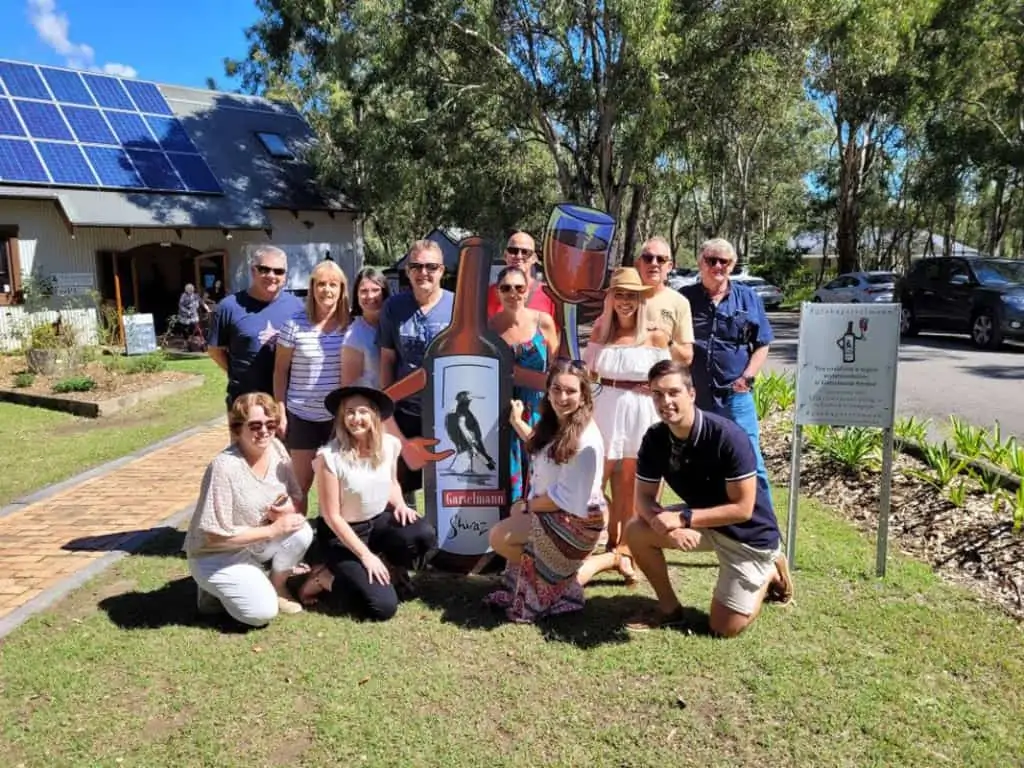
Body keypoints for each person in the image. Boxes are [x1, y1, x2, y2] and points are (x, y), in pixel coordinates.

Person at [623, 360, 793, 637]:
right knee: (637, 530)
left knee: (723, 628)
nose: (665, 401)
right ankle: (669, 609)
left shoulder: (728, 436)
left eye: (673, 392)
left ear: (691, 394)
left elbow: (743, 508)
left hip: (748, 536)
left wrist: (683, 518)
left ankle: (770, 571)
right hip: (702, 522)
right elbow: (643, 498)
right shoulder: (655, 438)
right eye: (657, 394)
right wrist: (665, 525)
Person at [298, 386, 435, 621]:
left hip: (377, 522)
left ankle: (391, 570)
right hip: (341, 534)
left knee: (422, 534)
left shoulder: (389, 445)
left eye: (362, 411)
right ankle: (322, 578)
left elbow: (391, 483)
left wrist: (401, 504)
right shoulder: (329, 457)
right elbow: (332, 517)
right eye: (349, 412)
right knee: (383, 607)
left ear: (374, 414)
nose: (355, 418)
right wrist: (365, 556)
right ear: (341, 417)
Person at [485, 359, 606, 623]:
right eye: (556, 389)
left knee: (499, 537)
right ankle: (565, 579)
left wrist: (526, 506)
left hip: (577, 520)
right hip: (555, 510)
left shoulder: (586, 441)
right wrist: (517, 422)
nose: (562, 397)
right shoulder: (555, 421)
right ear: (548, 390)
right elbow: (541, 448)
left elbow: (564, 499)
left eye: (571, 391)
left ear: (584, 394)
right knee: (550, 566)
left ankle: (557, 583)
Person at [183, 392, 313, 627]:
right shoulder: (224, 468)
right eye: (255, 426)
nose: (264, 431)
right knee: (261, 613)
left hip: (255, 543)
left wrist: (285, 509)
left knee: (302, 531)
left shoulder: (276, 448)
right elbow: (214, 536)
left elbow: (296, 496)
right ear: (237, 429)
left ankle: (277, 585)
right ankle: (211, 589)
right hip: (217, 553)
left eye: (270, 424)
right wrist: (275, 529)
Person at [577, 267, 670, 587]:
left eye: (632, 295)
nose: (626, 301)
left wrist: (655, 393)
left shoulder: (656, 334)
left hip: (641, 411)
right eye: (620, 294)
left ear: (641, 298)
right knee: (593, 477)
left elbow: (666, 376)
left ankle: (624, 547)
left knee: (631, 481)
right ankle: (590, 540)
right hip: (604, 408)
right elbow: (588, 375)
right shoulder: (601, 329)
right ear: (611, 297)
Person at [680, 238, 773, 493]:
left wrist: (748, 377)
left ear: (732, 265)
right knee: (701, 460)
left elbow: (762, 343)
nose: (718, 266)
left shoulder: (748, 298)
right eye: (712, 260)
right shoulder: (684, 299)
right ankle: (709, 521)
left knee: (750, 457)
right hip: (697, 395)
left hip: (735, 394)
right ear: (700, 262)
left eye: (725, 261)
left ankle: (764, 527)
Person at [378, 240, 455, 499]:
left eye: (431, 266)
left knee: (447, 482)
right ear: (408, 271)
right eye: (416, 266)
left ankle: (442, 538)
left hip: (448, 412)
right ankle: (409, 537)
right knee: (404, 486)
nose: (424, 272)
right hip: (406, 411)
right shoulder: (394, 307)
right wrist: (385, 405)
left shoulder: (458, 307)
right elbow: (387, 358)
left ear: (442, 271)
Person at [273, 260, 349, 506]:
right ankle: (296, 541)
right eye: (321, 284)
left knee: (339, 486)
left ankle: (334, 539)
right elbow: (280, 372)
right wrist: (281, 412)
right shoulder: (293, 324)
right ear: (312, 288)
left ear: (341, 289)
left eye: (333, 285)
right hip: (301, 415)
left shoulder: (351, 326)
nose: (327, 290)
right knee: (299, 487)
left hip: (338, 420)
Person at [487, 265, 558, 502]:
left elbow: (556, 368)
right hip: (503, 413)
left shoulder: (543, 322)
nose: (513, 293)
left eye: (519, 287)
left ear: (527, 291)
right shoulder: (489, 329)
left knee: (541, 469)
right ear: (498, 292)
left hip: (539, 410)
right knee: (506, 474)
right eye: (506, 288)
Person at [208, 246, 303, 409]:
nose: (271, 276)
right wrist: (237, 374)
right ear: (253, 271)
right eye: (264, 269)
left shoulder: (297, 307)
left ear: (285, 276)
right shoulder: (229, 307)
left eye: (278, 271)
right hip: (245, 402)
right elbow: (215, 350)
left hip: (287, 402)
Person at [635, 237, 695, 366]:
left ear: (669, 267)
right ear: (639, 263)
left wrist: (666, 341)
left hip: (660, 382)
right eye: (648, 258)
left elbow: (686, 358)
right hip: (623, 381)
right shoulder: (623, 298)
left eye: (661, 259)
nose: (654, 263)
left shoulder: (680, 303)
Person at [485, 231, 557, 320]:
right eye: (513, 251)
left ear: (534, 258)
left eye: (525, 252)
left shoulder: (548, 295)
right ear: (505, 255)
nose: (519, 256)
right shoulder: (488, 294)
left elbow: (555, 332)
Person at [341, 266, 390, 389]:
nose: (370, 296)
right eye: (363, 291)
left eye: (375, 290)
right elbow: (349, 386)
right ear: (356, 295)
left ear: (384, 292)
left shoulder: (395, 325)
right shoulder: (355, 335)